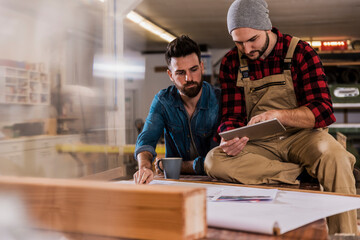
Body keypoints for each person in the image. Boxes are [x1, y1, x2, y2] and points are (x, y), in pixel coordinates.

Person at [204, 0, 357, 235]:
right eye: (239, 42)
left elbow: (323, 110)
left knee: (335, 157)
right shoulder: (230, 62)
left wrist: (280, 115)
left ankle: (344, 234)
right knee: (213, 160)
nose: (246, 49)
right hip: (260, 143)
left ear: (267, 27)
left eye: (252, 39)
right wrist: (230, 136)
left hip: (303, 137)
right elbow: (232, 115)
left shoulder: (301, 52)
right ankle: (298, 173)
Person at [133, 35, 221, 185]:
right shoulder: (163, 101)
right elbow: (146, 140)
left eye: (194, 69)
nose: (189, 78)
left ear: (202, 66)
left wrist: (172, 165)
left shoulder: (219, 99)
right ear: (170, 75)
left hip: (218, 183)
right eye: (180, 73)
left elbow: (218, 161)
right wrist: (144, 167)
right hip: (177, 182)